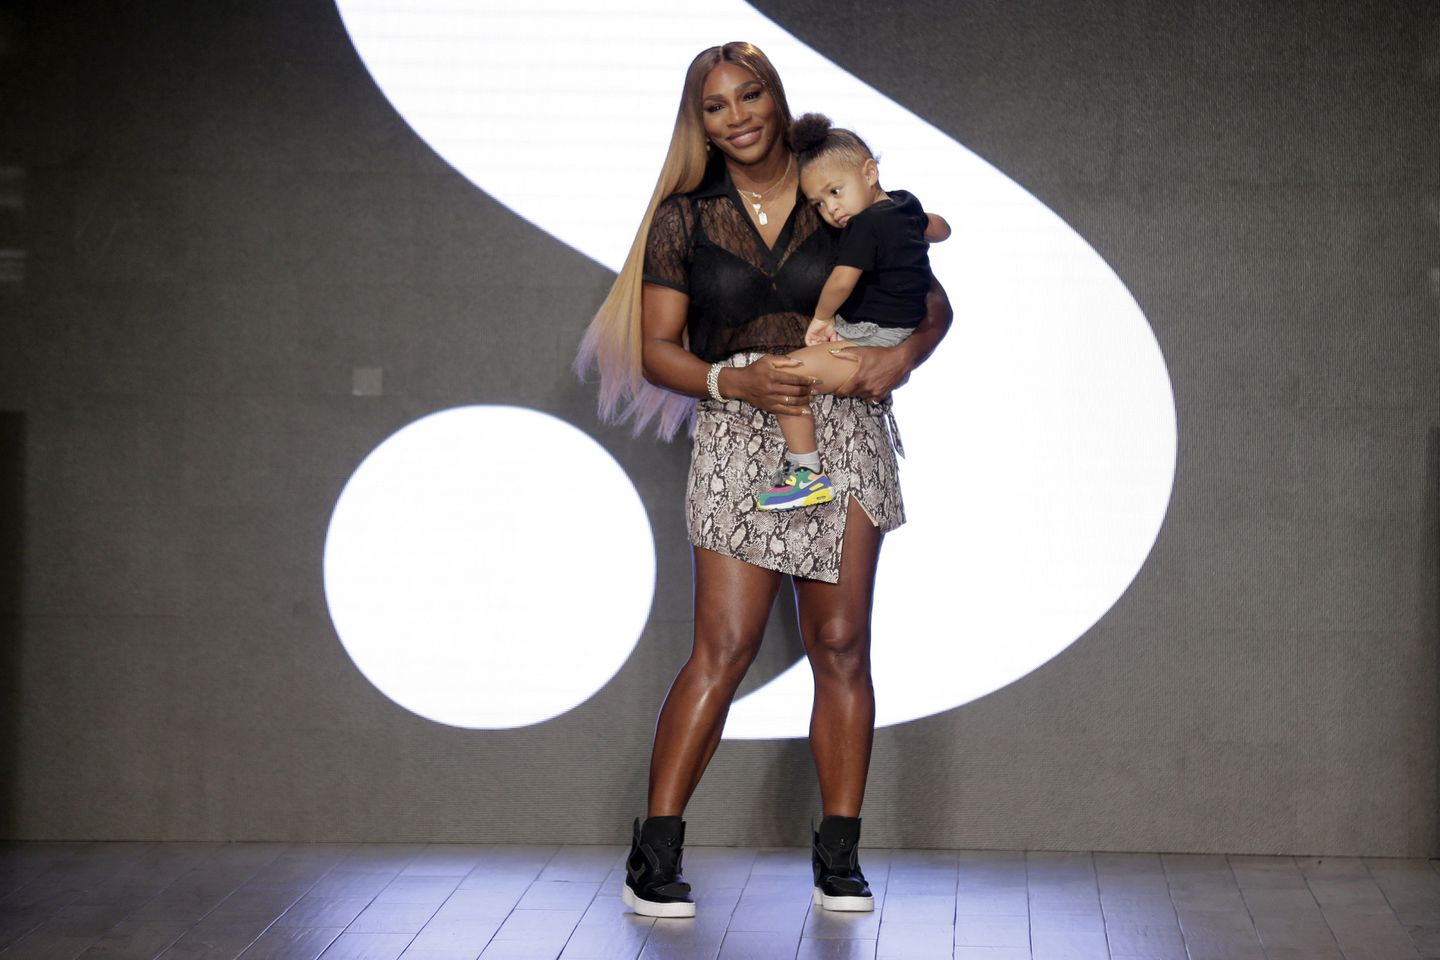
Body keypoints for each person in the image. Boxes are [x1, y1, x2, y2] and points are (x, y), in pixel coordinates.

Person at [574, 41, 952, 919]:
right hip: (740, 428)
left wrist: (900, 358)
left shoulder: (836, 191)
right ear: (700, 124)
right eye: (716, 106)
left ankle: (839, 859)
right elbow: (657, 349)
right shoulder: (686, 218)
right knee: (725, 645)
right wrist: (731, 382)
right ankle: (655, 855)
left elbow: (931, 303)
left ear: (777, 100)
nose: (737, 116)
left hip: (844, 425)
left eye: (750, 96)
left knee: (841, 643)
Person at [754, 113, 952, 512]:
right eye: (819, 203)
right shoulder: (904, 203)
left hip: (873, 338)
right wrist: (920, 232)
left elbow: (842, 283)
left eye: (835, 191)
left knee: (783, 376)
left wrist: (822, 319)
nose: (831, 209)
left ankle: (806, 473)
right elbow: (940, 228)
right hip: (888, 329)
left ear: (870, 172)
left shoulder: (865, 226)